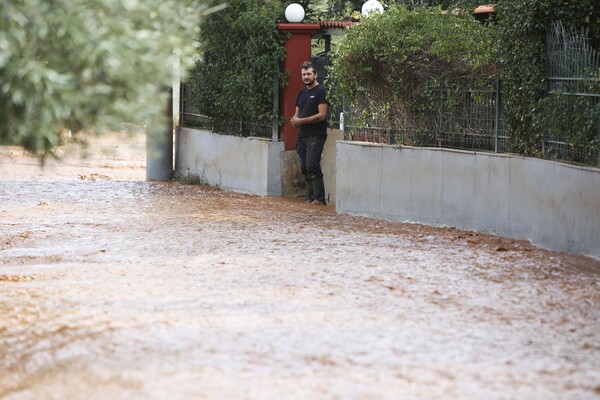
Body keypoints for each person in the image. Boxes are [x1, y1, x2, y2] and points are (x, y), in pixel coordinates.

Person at [290, 61, 329, 205]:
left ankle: (319, 200)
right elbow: (297, 114)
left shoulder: (321, 91)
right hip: (302, 136)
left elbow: (322, 115)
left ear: (315, 74)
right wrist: (295, 121)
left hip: (316, 135)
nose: (306, 77)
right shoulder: (301, 92)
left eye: (308, 74)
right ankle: (310, 198)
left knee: (313, 165)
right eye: (303, 74)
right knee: (305, 167)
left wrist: (301, 121)